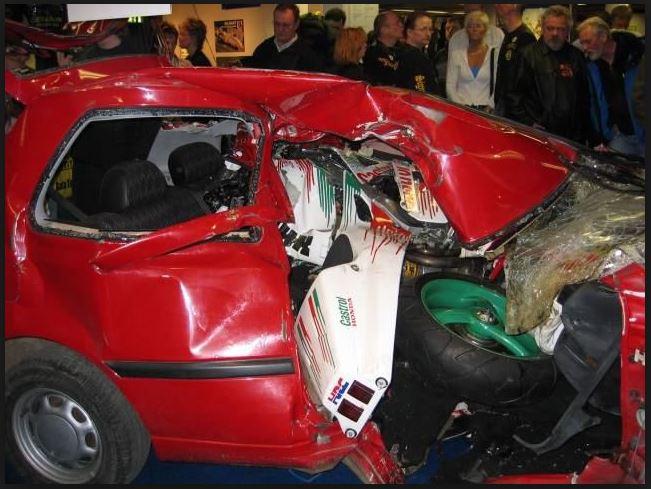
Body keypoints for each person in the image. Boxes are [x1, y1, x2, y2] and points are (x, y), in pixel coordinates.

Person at [506, 5, 591, 144]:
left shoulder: (577, 56)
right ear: (542, 28)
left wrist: (585, 131)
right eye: (550, 28)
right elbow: (512, 95)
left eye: (560, 29)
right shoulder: (526, 55)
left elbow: (585, 96)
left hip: (573, 136)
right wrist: (528, 123)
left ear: (568, 31)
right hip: (539, 134)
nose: (555, 33)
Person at [577, 16, 645, 157]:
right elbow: (592, 104)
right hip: (620, 136)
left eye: (588, 42)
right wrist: (601, 135)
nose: (584, 48)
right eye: (582, 43)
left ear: (603, 37)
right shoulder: (592, 67)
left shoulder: (637, 56)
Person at [446, 10, 499, 112]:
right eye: (470, 26)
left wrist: (490, 106)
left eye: (478, 26)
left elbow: (498, 85)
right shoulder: (456, 55)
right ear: (466, 30)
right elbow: (450, 86)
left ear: (485, 29)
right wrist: (461, 108)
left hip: (487, 110)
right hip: (461, 109)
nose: (474, 29)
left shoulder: (494, 55)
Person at [246, 4, 323, 72]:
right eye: (277, 24)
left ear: (296, 24)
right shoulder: (263, 49)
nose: (280, 29)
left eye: (285, 25)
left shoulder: (308, 55)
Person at [493, 4, 536, 116]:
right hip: (504, 108)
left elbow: (525, 82)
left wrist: (518, 113)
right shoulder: (508, 36)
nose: (496, 5)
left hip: (516, 114)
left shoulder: (525, 38)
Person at [397, 11, 439, 94]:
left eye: (430, 29)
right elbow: (420, 90)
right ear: (409, 32)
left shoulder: (400, 52)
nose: (428, 34)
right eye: (423, 29)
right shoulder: (415, 57)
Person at [363, 10, 404, 86]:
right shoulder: (372, 54)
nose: (401, 25)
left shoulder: (402, 52)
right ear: (383, 29)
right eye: (397, 23)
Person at [432, 17, 462, 97]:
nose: (450, 31)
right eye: (447, 28)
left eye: (454, 28)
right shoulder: (440, 55)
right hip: (443, 99)